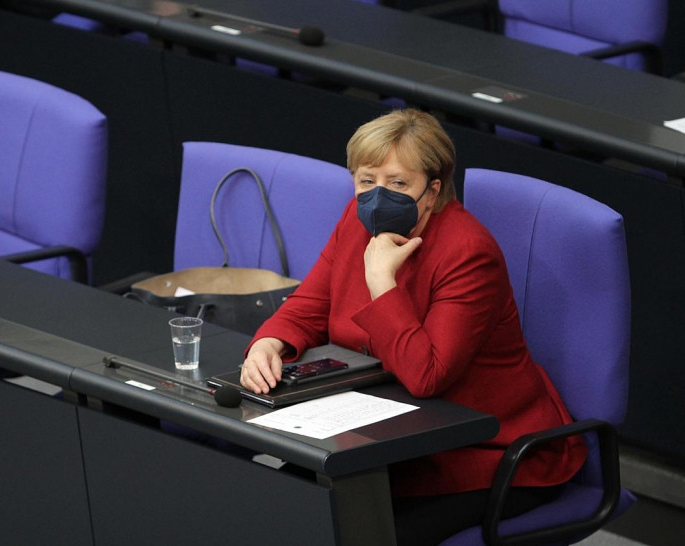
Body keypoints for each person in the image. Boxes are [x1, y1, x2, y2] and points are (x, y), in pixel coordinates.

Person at [240, 109, 587, 544]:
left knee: (367, 534)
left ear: (432, 189)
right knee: (286, 504)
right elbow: (310, 303)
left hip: (484, 450)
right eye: (366, 180)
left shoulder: (467, 253)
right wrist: (268, 343)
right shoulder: (356, 219)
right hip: (388, 435)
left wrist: (382, 282)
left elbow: (428, 375)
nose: (376, 196)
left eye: (398, 183)